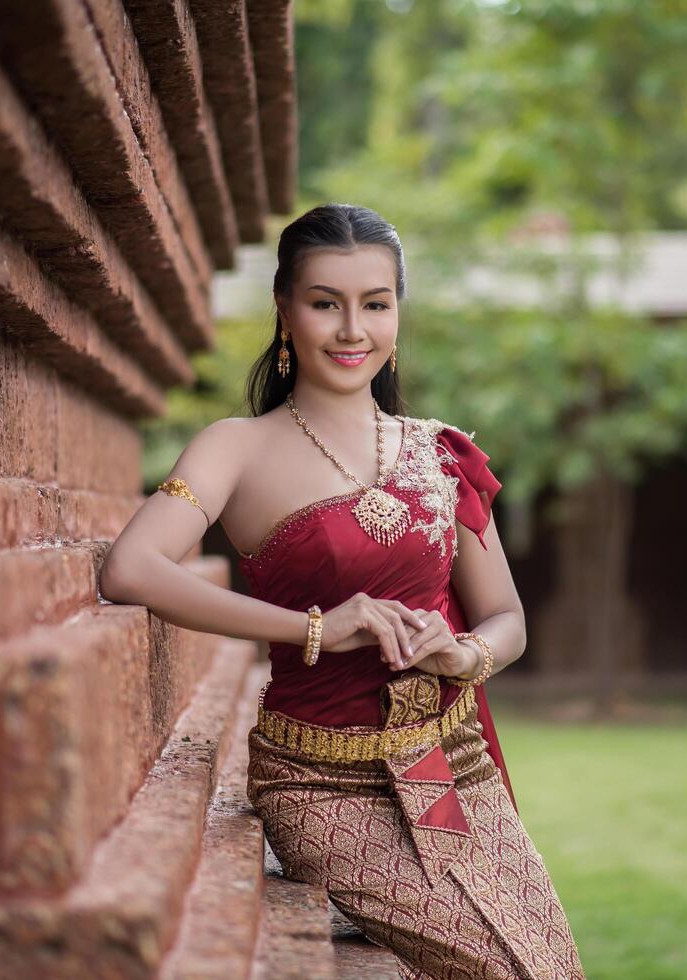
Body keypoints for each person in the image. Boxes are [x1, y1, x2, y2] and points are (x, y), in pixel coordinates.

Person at [99, 203, 585, 979]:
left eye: (376, 304)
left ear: (397, 313)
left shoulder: (438, 451)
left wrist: (462, 655)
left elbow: (506, 617)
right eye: (326, 303)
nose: (352, 329)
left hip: (447, 765)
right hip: (320, 783)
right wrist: (314, 628)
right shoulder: (237, 447)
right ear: (284, 312)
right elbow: (131, 569)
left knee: (549, 970)